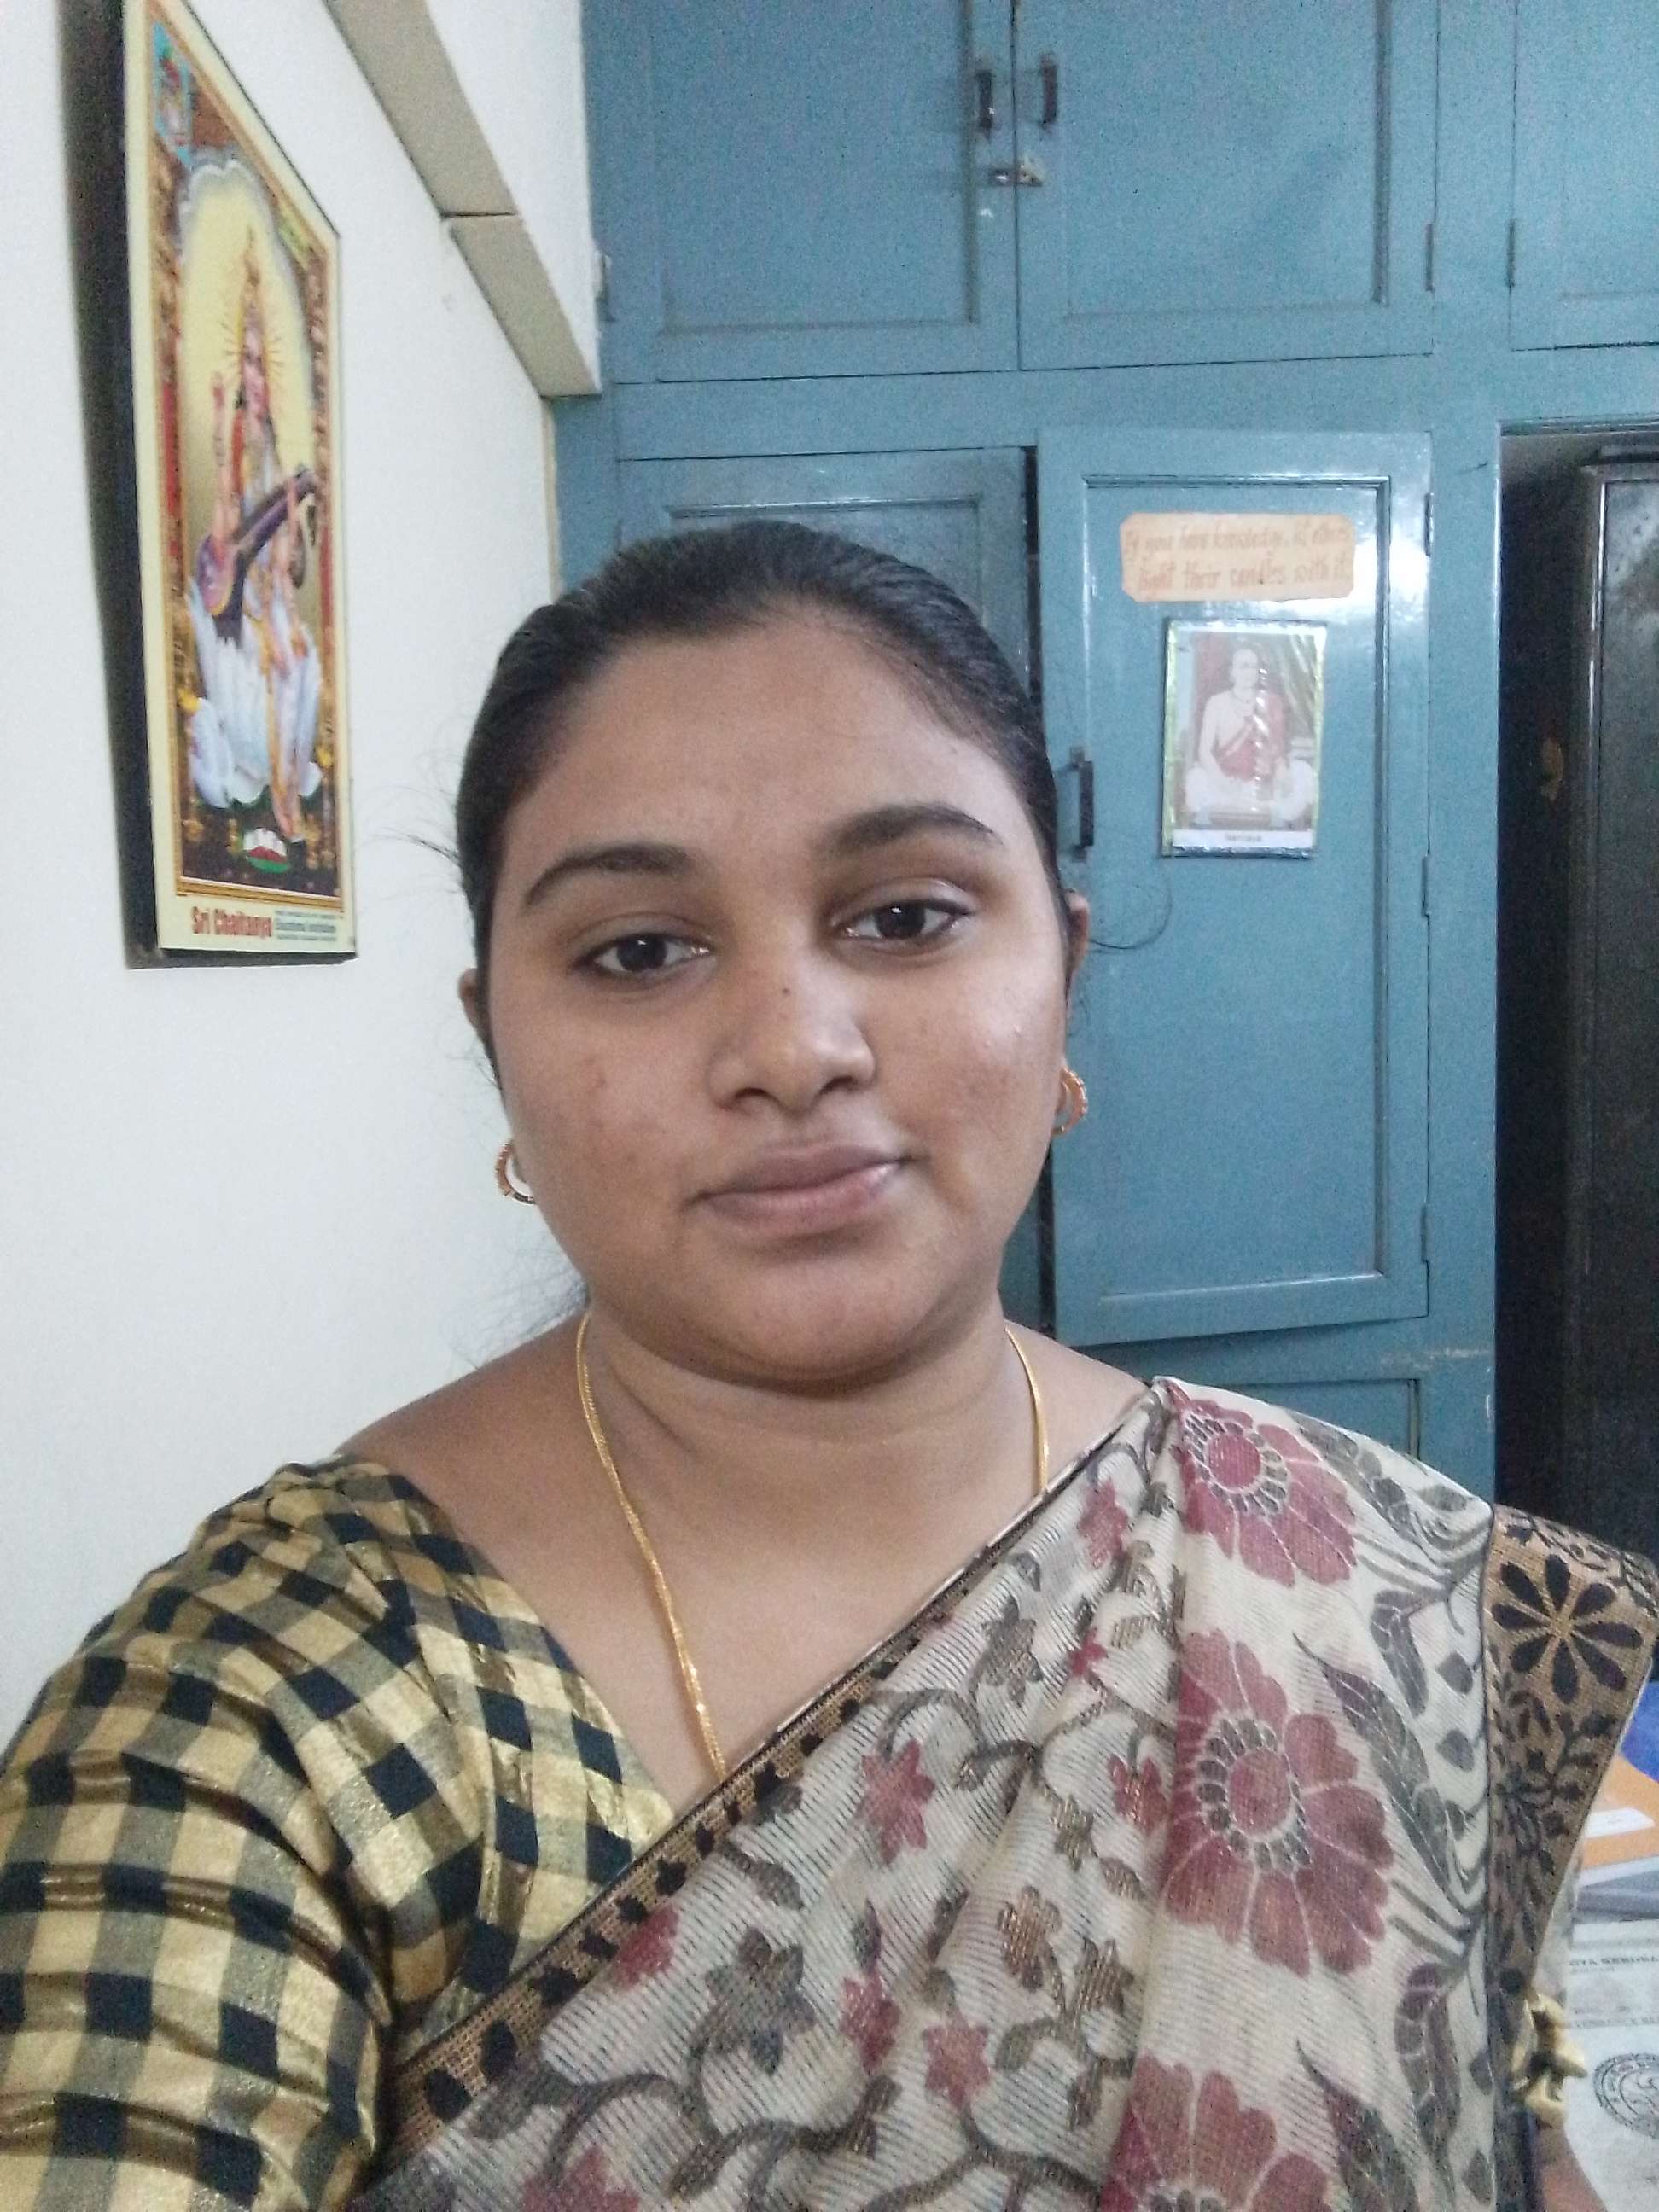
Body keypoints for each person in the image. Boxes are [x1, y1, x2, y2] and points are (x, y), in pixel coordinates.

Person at [1, 524, 1650, 2209]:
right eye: (639, 951)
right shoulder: (272, 1710)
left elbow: (1505, 2134)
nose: (791, 1049)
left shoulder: (1353, 1585)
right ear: (494, 1040)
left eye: (906, 916)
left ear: (1064, 973)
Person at [186, 234, 321, 849]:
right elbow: (226, 534)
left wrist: (290, 522)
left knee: (302, 665)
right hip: (239, 612)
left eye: (263, 363)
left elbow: (290, 567)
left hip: (269, 604)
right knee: (276, 671)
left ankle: (287, 795)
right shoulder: (239, 447)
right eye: (247, 362)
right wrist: (220, 415)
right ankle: (281, 794)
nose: (257, 377)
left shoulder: (275, 456)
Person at [1185, 641, 1316, 830]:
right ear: (1232, 672)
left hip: (1265, 787)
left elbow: (1277, 750)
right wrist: (1223, 783)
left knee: (1303, 771)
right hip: (1227, 785)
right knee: (1195, 778)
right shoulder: (1217, 703)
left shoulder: (1271, 702)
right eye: (1243, 666)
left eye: (1253, 667)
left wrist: (1281, 772)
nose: (1249, 672)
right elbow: (1204, 752)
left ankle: (1272, 815)